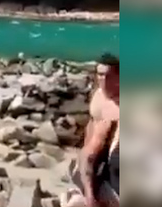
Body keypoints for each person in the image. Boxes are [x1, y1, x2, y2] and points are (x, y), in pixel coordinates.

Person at [70, 53, 119, 207]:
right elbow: (90, 142)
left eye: (108, 76)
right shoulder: (98, 97)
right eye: (100, 75)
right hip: (97, 163)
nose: (103, 80)